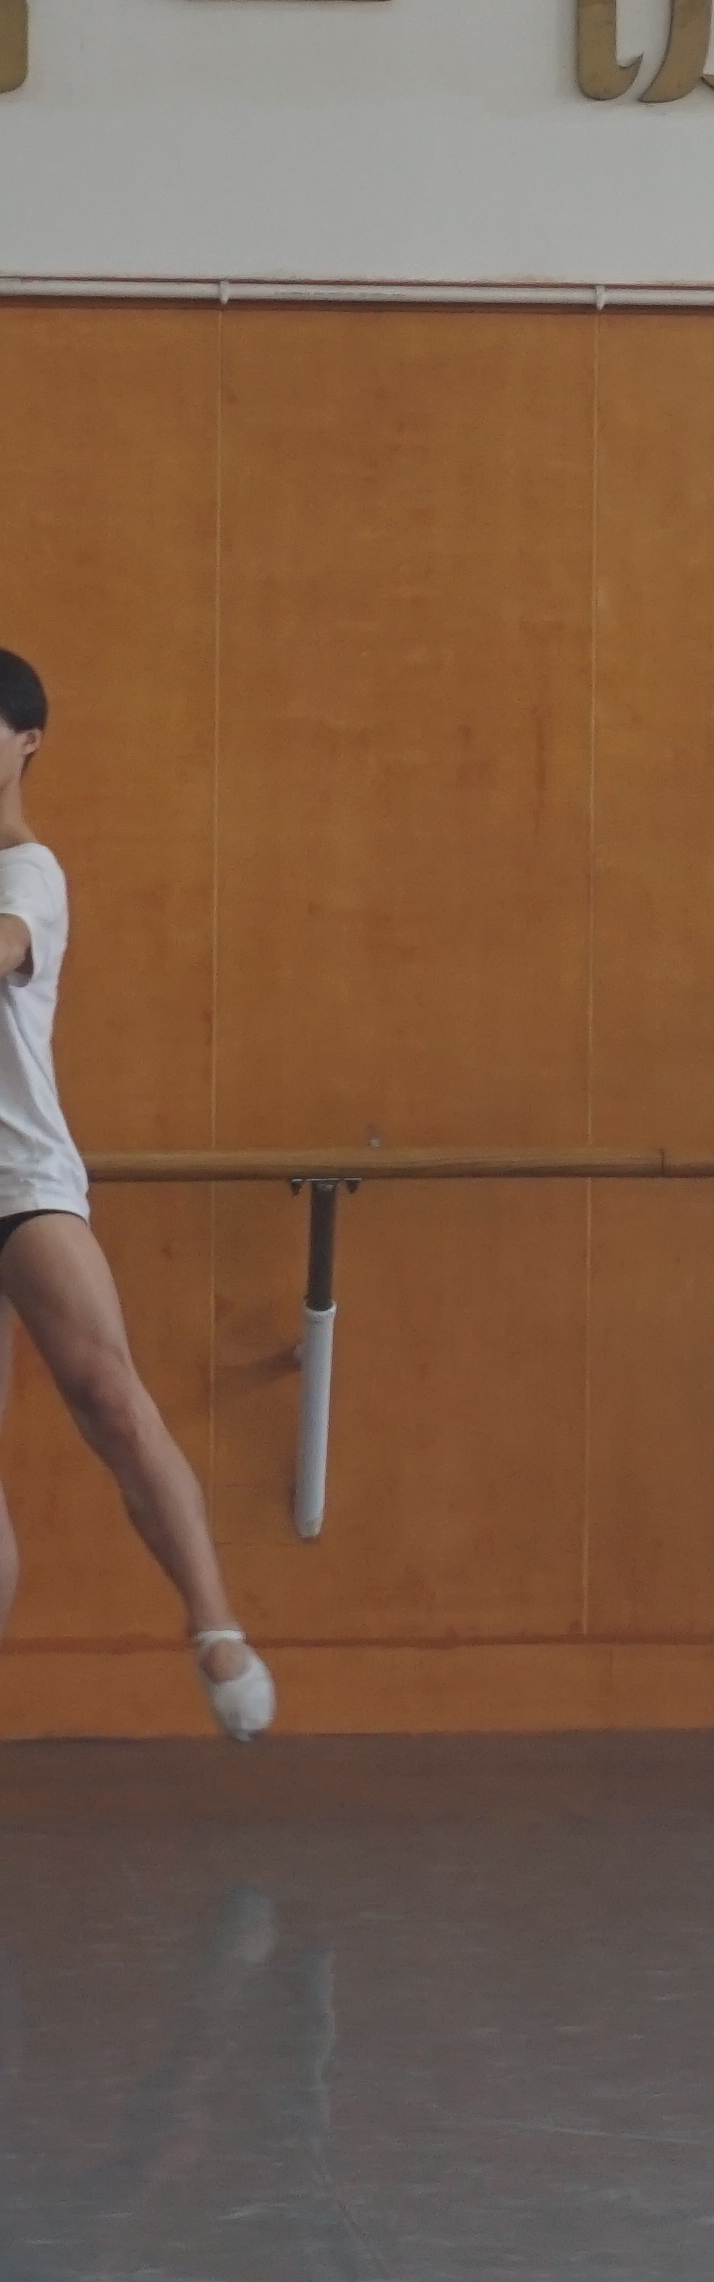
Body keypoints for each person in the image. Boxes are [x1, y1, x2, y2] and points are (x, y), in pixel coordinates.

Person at [0, 649, 275, 1739]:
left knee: (108, 1394)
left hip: (22, 1182)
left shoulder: (29, 870)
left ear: (26, 742)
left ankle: (214, 1626)